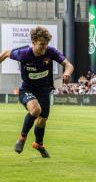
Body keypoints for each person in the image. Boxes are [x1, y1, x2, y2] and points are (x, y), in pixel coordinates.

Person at [0, 26, 74, 158]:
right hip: (27, 90)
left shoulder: (50, 52)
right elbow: (6, 53)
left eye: (46, 45)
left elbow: (68, 65)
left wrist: (67, 73)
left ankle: (38, 144)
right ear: (33, 42)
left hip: (44, 91)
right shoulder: (24, 54)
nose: (44, 48)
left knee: (41, 121)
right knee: (35, 110)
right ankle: (22, 138)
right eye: (41, 45)